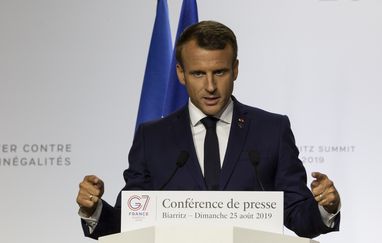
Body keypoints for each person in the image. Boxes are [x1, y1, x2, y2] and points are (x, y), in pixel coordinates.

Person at [76, 20, 341, 240]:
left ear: (235, 69)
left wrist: (325, 208)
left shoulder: (272, 130)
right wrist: (94, 210)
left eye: (220, 72)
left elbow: (296, 213)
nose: (211, 86)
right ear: (181, 74)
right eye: (198, 73)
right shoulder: (153, 137)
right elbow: (131, 219)